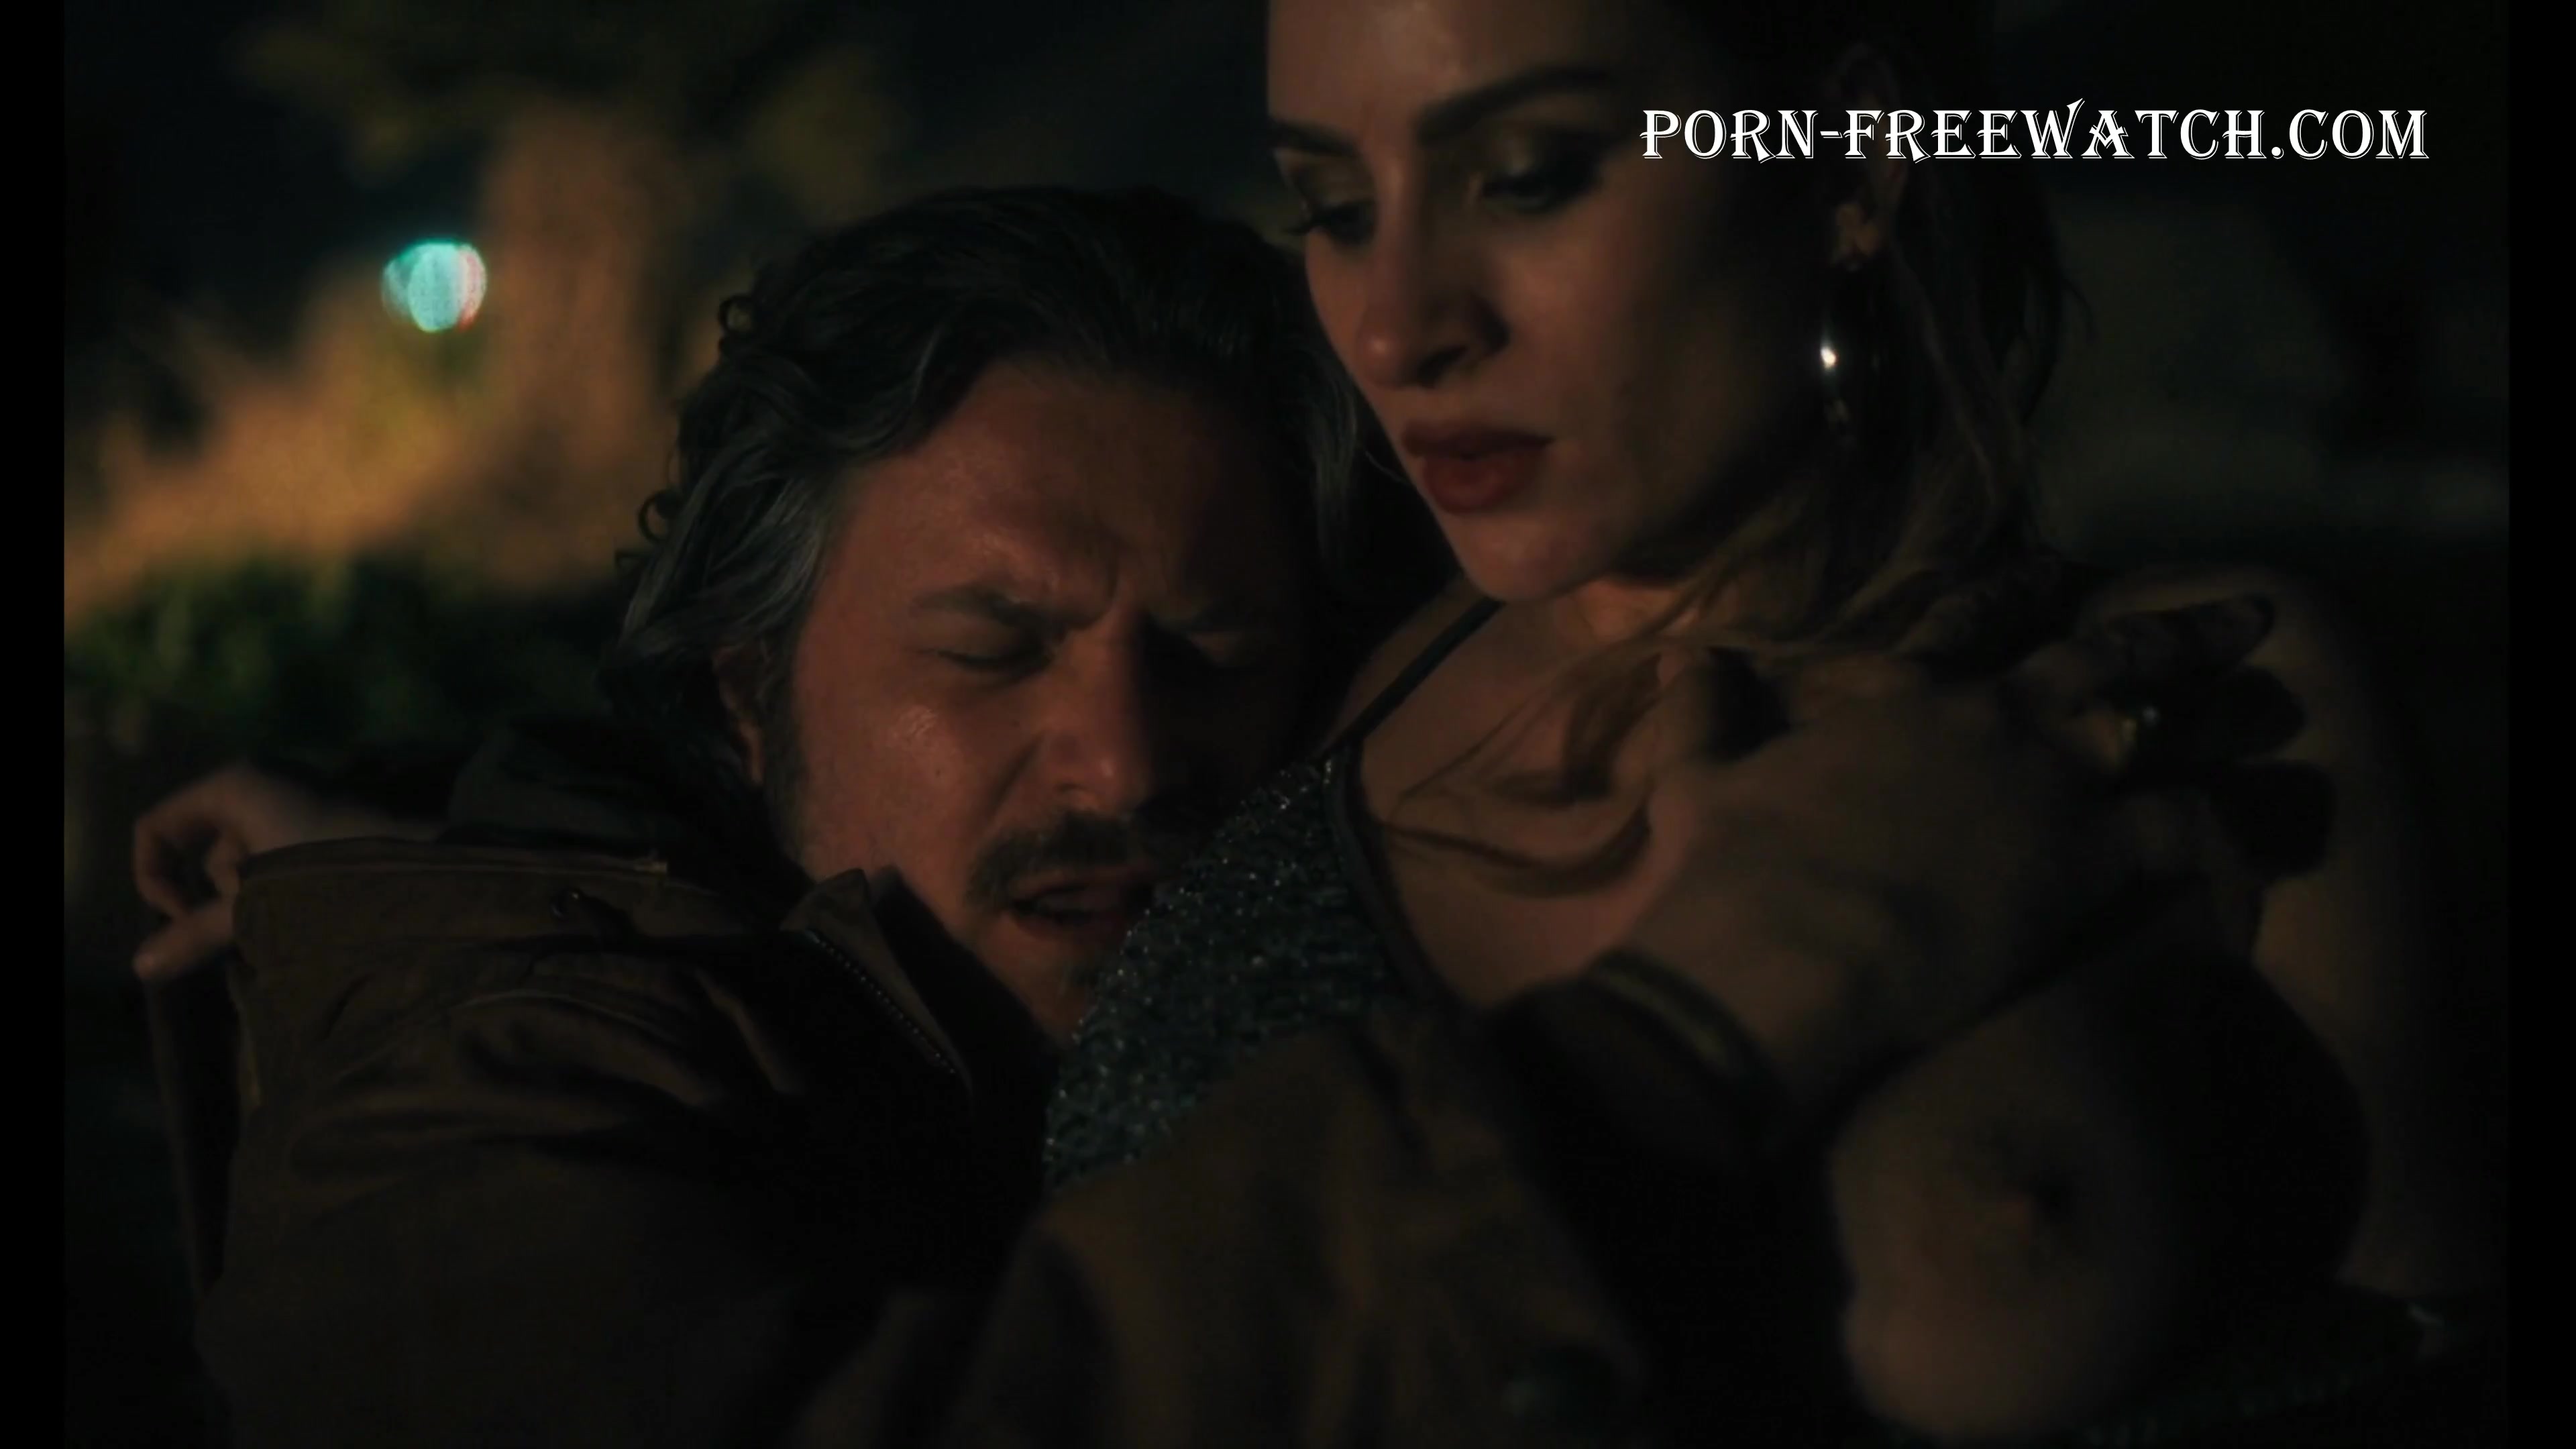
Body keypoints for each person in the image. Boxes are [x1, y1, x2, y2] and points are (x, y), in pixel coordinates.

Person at [133, 186, 2310, 1446]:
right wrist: (1705, 1024)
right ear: (745, 689)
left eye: (1207, 646)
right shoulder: (486, 1075)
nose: (1127, 759)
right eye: (996, 649)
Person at [1040, 0, 2496, 1439]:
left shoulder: (2205, 704)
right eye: (1335, 209)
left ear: (1850, 164)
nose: (1396, 327)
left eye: (1529, 177)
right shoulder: (1282, 658)